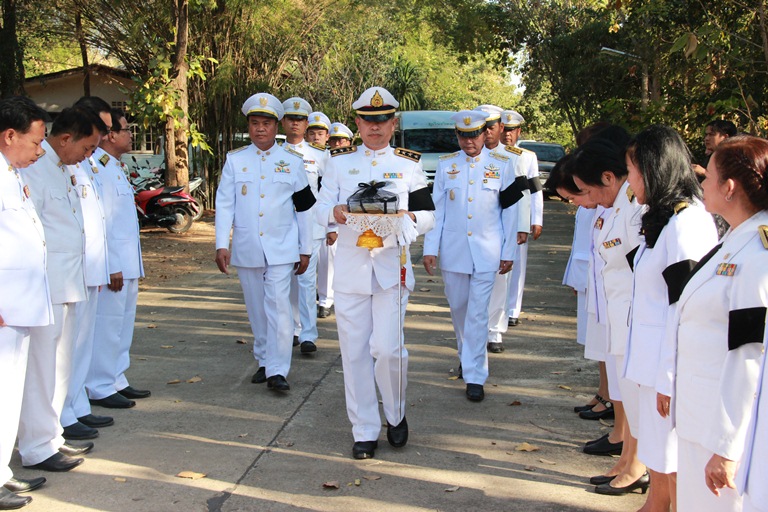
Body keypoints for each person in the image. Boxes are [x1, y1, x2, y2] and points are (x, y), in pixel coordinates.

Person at [314, 86, 434, 459]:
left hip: (391, 270)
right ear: (357, 123)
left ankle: (395, 414)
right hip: (350, 270)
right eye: (368, 120)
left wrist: (408, 218)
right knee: (353, 354)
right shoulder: (337, 163)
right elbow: (317, 207)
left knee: (387, 349)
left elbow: (430, 214)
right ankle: (364, 428)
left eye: (383, 121)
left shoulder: (409, 164)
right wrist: (333, 212)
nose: (375, 127)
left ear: (394, 123)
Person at [657, 135, 768, 510]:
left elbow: (749, 356)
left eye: (711, 175)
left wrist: (726, 447)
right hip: (698, 416)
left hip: (720, 428)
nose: (701, 182)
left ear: (730, 187)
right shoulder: (735, 239)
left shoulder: (758, 257)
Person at [622, 125, 717, 510]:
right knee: (660, 452)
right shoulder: (662, 218)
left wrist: (668, 377)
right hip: (650, 361)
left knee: (676, 460)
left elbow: (685, 307)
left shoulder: (686, 224)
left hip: (667, 366)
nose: (629, 180)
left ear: (653, 169)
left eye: (632, 170)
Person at [18, 106, 106, 472]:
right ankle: (37, 445)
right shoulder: (35, 169)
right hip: (46, 285)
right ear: (65, 138)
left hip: (68, 282)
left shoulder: (60, 168)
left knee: (60, 366)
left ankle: (52, 437)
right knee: (41, 370)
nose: (88, 157)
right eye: (86, 148)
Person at [215, 93, 314, 392]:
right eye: (255, 123)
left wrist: (305, 248)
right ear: (249, 126)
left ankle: (277, 370)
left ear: (276, 126)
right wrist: (222, 244)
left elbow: (305, 208)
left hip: (283, 247)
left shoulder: (292, 162)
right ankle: (263, 360)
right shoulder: (235, 160)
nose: (260, 129)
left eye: (266, 124)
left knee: (280, 307)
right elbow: (225, 205)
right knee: (257, 308)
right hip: (247, 246)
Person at [568, 137, 648, 495]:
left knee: (635, 399)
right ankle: (628, 460)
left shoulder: (631, 208)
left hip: (634, 319)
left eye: (585, 191)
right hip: (618, 317)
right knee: (626, 397)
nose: (585, 201)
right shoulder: (616, 208)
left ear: (607, 178)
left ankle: (636, 464)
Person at [423, 110, 521, 402]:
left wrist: (508, 251)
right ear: (457, 136)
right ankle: (466, 356)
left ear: (484, 133)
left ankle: (476, 374)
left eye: (474, 135)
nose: (469, 141)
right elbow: (436, 212)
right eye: (463, 135)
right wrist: (430, 249)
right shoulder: (446, 165)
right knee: (460, 310)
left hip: (488, 251)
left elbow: (511, 212)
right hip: (454, 251)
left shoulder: (503, 164)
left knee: (478, 313)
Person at [0, 96, 51, 510]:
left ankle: (2, 471)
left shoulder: (11, 174)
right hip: (4, 306)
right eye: (36, 143)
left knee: (10, 392)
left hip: (19, 304)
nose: (40, 151)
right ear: (9, 135)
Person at [86, 109, 147, 410]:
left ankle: (116, 378)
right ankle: (99, 384)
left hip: (127, 262)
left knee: (123, 325)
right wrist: (111, 264)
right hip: (115, 264)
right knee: (108, 326)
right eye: (125, 129)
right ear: (110, 134)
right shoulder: (95, 167)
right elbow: (101, 223)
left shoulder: (114, 166)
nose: (130, 134)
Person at [60, 100, 111, 441]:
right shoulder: (59, 165)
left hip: (87, 268)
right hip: (68, 274)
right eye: (92, 142)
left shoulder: (87, 163)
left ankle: (76, 405)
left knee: (80, 345)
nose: (97, 147)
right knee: (68, 348)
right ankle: (65, 412)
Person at [473, 105, 530, 354]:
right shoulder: (465, 156)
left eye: (490, 128)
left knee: (498, 282)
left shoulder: (512, 158)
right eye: (480, 129)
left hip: (500, 233)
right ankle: (474, 333)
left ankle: (495, 331)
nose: (485, 133)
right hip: (472, 234)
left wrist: (523, 225)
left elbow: (522, 197)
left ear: (500, 129)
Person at [281, 98, 327, 354]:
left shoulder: (320, 156)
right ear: (284, 122)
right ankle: (293, 329)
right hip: (283, 228)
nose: (295, 124)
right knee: (287, 281)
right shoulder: (275, 154)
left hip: (312, 227)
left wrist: (330, 226)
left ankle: (309, 334)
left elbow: (329, 192)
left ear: (307, 123)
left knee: (307, 281)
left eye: (300, 120)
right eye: (291, 119)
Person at [501, 110, 542, 327]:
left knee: (517, 265)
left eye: (511, 130)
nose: (507, 135)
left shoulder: (528, 157)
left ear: (518, 132)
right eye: (504, 130)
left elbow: (535, 191)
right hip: (497, 218)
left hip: (520, 218)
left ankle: (512, 310)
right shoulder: (490, 154)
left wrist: (536, 219)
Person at [317, 122, 354, 318]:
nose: (338, 143)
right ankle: (325, 300)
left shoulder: (357, 160)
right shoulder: (325, 160)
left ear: (349, 141)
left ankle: (344, 298)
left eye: (342, 140)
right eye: (333, 140)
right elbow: (323, 197)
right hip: (332, 219)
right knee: (328, 260)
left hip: (356, 223)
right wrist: (329, 227)